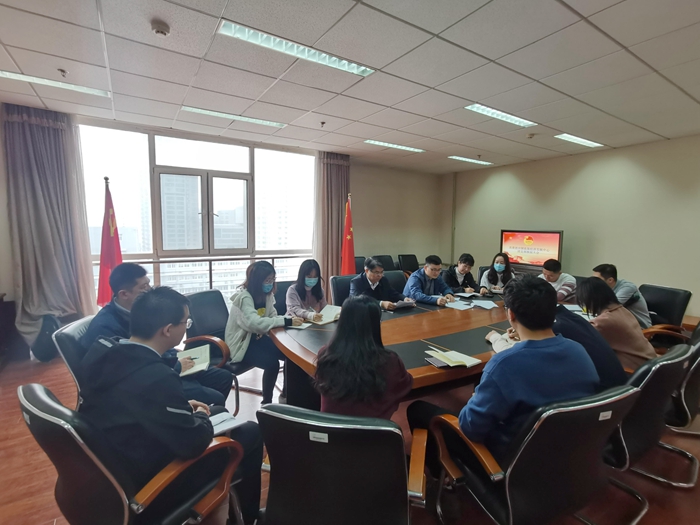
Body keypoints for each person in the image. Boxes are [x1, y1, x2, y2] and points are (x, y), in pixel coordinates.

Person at [80, 287, 263, 524]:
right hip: (154, 477)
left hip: (121, 450)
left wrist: (182, 406)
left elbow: (134, 401)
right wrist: (199, 414)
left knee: (218, 410)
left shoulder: (104, 349)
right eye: (185, 323)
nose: (187, 327)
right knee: (250, 433)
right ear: (167, 330)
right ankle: (249, 518)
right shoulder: (157, 377)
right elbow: (194, 443)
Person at [408, 275, 599, 475]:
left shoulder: (504, 364)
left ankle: (442, 475)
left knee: (418, 410)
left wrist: (473, 400)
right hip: (571, 454)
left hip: (514, 462)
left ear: (511, 314)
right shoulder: (579, 351)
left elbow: (470, 427)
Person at [81, 263, 233, 406]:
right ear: (124, 294)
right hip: (149, 378)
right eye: (143, 287)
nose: (149, 291)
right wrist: (176, 367)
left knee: (223, 377)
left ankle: (213, 417)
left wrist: (175, 359)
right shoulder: (105, 327)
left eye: (148, 284)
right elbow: (127, 373)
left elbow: (157, 343)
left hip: (165, 362)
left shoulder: (146, 309)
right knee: (213, 397)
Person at [485, 304, 627, 390]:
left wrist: (496, 338)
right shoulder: (570, 318)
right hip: (616, 395)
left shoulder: (558, 331)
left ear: (511, 314)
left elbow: (516, 357)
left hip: (596, 395)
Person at [315, 295, 413, 419]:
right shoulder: (390, 361)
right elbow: (406, 385)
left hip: (331, 429)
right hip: (374, 431)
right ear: (375, 325)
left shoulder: (325, 355)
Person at [225, 261, 304, 404]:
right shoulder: (244, 297)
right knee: (272, 364)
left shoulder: (267, 295)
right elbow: (255, 324)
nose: (270, 283)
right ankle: (266, 403)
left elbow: (273, 317)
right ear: (257, 281)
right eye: (267, 280)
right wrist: (285, 321)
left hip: (258, 338)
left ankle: (288, 396)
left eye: (272, 279)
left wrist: (287, 320)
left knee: (291, 354)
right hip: (242, 343)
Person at [577, 277, 657, 371]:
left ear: (590, 300)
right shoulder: (622, 310)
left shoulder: (604, 321)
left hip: (633, 371)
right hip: (649, 363)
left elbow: (580, 337)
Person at [592, 264, 651, 328]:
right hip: (619, 323)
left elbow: (610, 307)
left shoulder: (628, 287)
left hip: (639, 327)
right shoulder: (604, 288)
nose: (594, 282)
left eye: (597, 279)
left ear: (610, 280)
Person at [349, 257, 413, 310]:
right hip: (365, 315)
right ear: (367, 271)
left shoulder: (383, 279)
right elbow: (356, 301)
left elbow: (392, 293)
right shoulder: (356, 282)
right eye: (376, 272)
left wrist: (404, 298)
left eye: (381, 272)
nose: (380, 275)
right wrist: (381, 303)